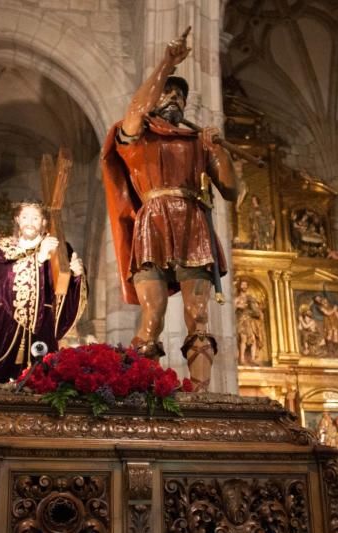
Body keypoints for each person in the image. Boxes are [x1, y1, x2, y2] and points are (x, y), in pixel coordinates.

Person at [101, 28, 238, 391]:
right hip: (154, 222)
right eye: (169, 92)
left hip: (193, 221)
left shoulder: (196, 142)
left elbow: (231, 190)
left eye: (181, 94)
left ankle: (201, 396)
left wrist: (218, 149)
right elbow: (135, 109)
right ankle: (146, 392)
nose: (175, 98)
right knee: (153, 314)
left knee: (198, 315)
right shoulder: (135, 135)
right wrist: (167, 63)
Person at [0, 202, 86, 384]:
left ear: (44, 222)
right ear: (17, 220)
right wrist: (38, 257)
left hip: (43, 325)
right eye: (25, 217)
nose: (29, 223)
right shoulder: (0, 247)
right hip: (7, 321)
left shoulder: (60, 249)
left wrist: (78, 275)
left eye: (35, 218)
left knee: (44, 381)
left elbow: (65, 288)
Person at [234, 279, 266, 366]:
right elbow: (232, 308)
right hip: (241, 321)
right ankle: (242, 358)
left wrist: (258, 311)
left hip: (250, 322)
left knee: (253, 339)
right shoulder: (237, 299)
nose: (244, 286)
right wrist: (238, 306)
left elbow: (256, 310)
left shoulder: (250, 298)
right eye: (242, 285)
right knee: (243, 339)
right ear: (239, 286)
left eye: (245, 285)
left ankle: (252, 358)